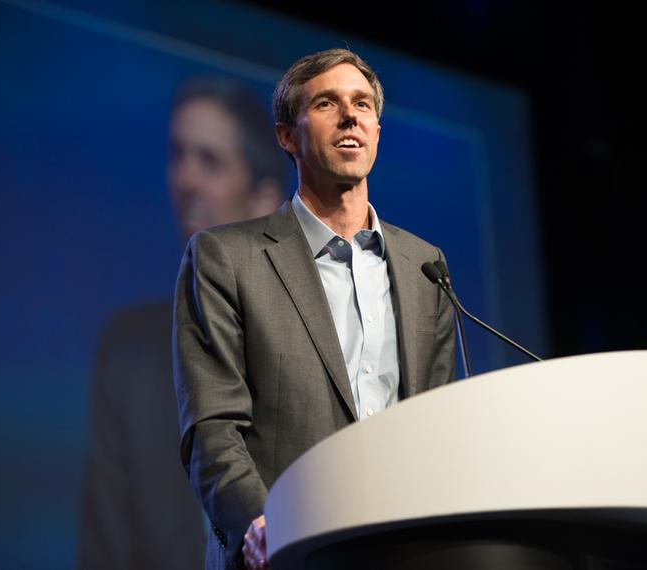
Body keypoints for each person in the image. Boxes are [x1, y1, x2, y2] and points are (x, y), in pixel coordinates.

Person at [173, 48, 457, 570]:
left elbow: (436, 426)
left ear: (376, 129)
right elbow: (212, 427)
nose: (351, 115)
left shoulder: (424, 265)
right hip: (287, 549)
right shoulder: (226, 257)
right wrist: (261, 524)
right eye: (328, 103)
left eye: (363, 104)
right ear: (286, 136)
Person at [79, 77, 285, 570]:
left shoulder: (307, 344)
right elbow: (103, 545)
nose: (185, 178)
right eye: (178, 155)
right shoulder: (128, 349)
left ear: (262, 200)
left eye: (209, 160)